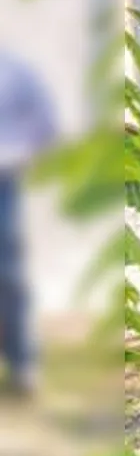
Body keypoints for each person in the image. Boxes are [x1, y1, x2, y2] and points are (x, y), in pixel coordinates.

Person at [0, 51, 59, 398]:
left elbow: (46, 124)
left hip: (4, 183)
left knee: (8, 274)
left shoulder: (15, 71)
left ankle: (21, 364)